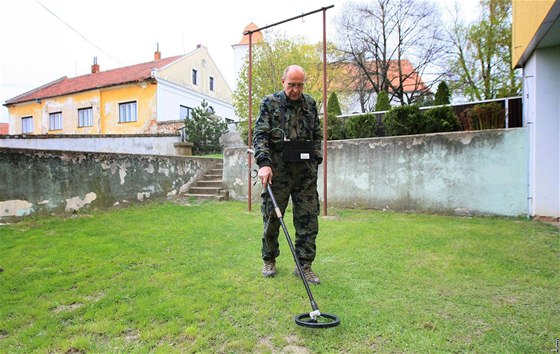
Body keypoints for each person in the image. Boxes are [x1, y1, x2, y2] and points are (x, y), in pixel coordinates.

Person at [252, 64, 323, 284]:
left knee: (308, 220)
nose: (295, 90)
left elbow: (317, 133)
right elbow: (260, 134)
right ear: (283, 82)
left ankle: (304, 265)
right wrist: (264, 163)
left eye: (300, 85)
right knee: (272, 218)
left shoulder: (310, 104)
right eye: (292, 84)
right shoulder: (270, 103)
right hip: (278, 172)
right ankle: (269, 259)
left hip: (305, 175)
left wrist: (316, 158)